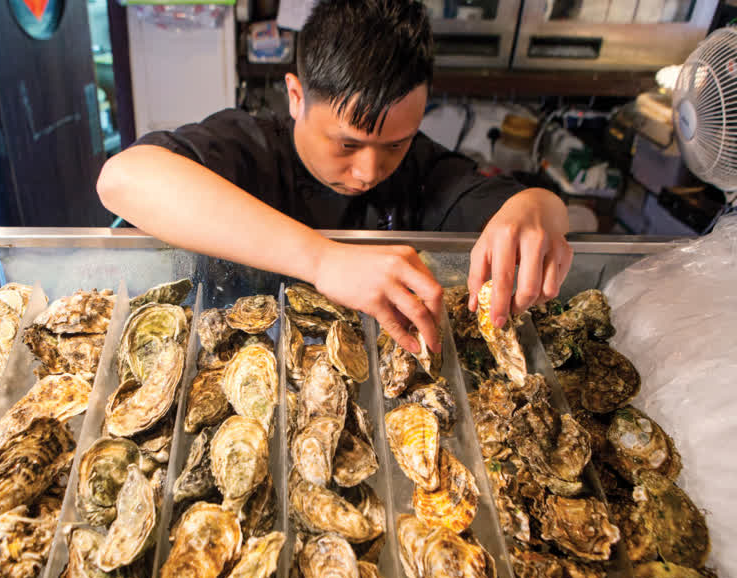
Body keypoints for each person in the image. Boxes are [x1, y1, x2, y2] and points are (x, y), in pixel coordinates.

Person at [97, 0, 572, 354]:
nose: (369, 171)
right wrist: (324, 261)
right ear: (296, 96)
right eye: (347, 143)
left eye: (395, 144)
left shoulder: (424, 168)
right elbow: (122, 178)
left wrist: (537, 209)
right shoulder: (249, 143)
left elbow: (525, 205)